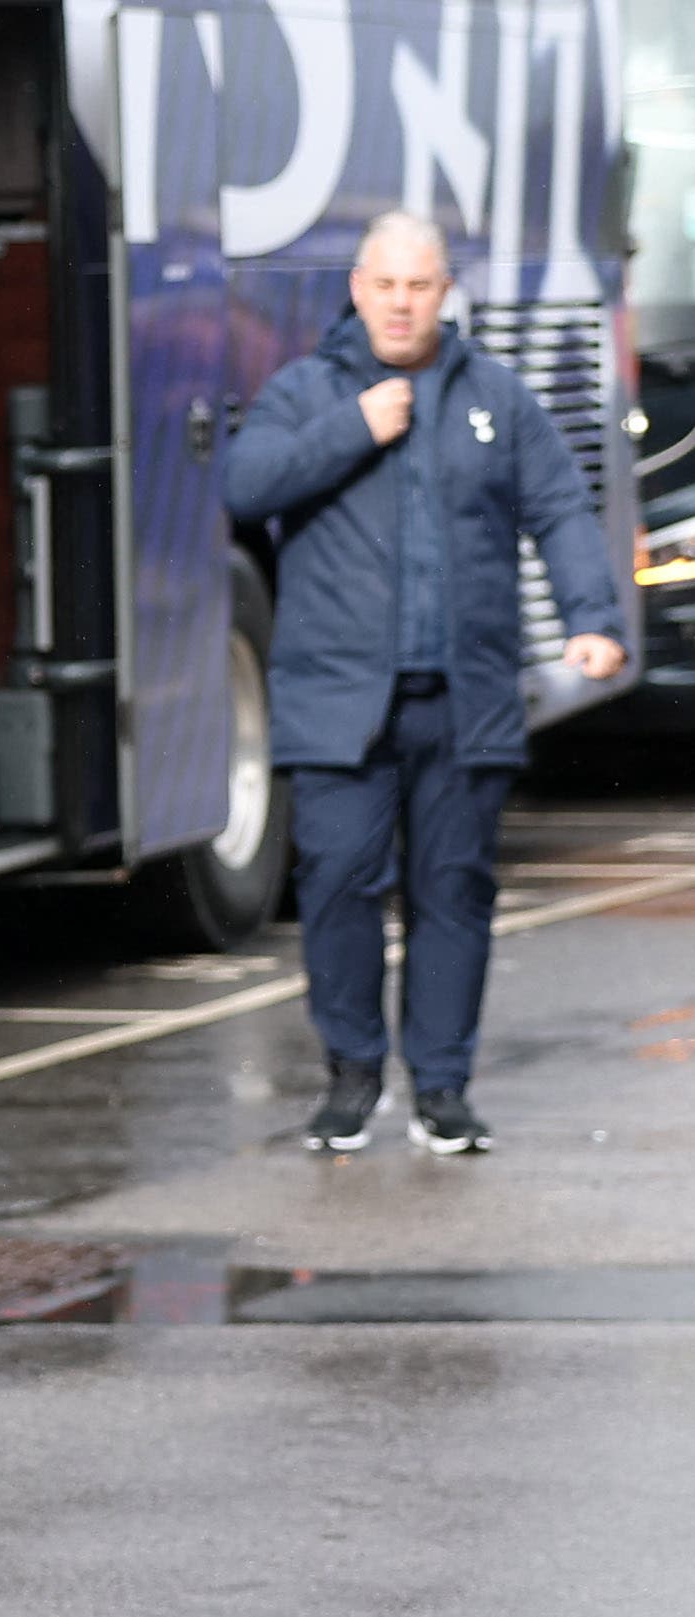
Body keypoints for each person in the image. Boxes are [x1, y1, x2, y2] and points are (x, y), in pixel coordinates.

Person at [222, 209, 625, 1156]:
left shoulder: (495, 397)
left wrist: (594, 619)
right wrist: (350, 429)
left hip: (465, 697)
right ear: (358, 290)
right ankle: (352, 1078)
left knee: (454, 891)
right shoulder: (304, 391)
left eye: (420, 286)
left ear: (446, 292)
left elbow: (563, 508)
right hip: (337, 702)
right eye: (386, 286)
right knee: (338, 886)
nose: (402, 304)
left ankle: (443, 1090)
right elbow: (245, 485)